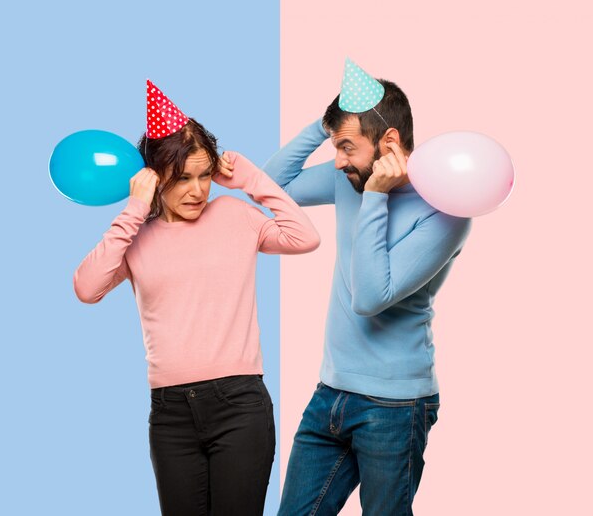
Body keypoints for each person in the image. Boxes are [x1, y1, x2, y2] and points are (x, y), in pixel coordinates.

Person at [73, 80, 320, 516]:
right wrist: (133, 209)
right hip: (169, 416)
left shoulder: (234, 215)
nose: (198, 190)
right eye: (182, 177)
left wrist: (251, 180)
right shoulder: (136, 236)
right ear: (155, 177)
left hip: (239, 407)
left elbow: (305, 237)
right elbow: (86, 288)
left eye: (205, 175)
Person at [263, 61, 472, 515]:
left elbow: (370, 297)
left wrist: (376, 194)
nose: (338, 160)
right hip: (330, 394)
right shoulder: (348, 179)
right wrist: (325, 125)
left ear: (389, 142)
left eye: (346, 146)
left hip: (395, 406)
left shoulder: (447, 210)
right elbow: (272, 185)